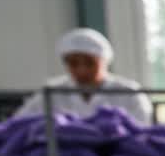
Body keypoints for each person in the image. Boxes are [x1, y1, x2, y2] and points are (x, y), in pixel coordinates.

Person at [14, 28, 152, 122]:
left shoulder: (128, 92)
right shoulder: (52, 93)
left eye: (90, 63)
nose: (82, 70)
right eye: (73, 63)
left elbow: (141, 126)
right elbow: (20, 122)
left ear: (104, 61)